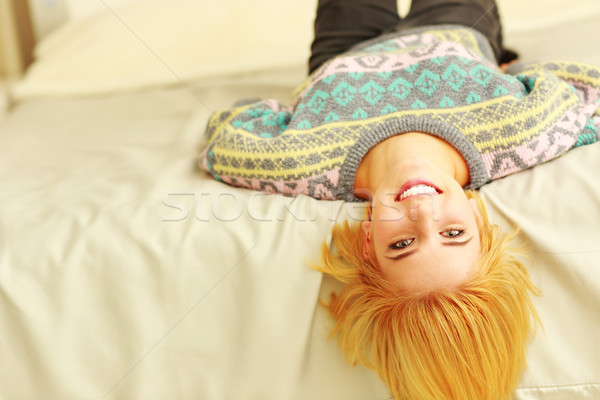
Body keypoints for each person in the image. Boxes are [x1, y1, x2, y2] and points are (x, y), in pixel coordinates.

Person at [199, 0, 600, 398]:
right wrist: (513, 75)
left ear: (369, 243)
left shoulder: (302, 164)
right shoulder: (516, 134)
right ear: (481, 222)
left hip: (343, 49)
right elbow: (584, 93)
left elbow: (227, 136)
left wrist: (293, 113)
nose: (423, 212)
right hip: (453, 25)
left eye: (403, 244)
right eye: (454, 233)